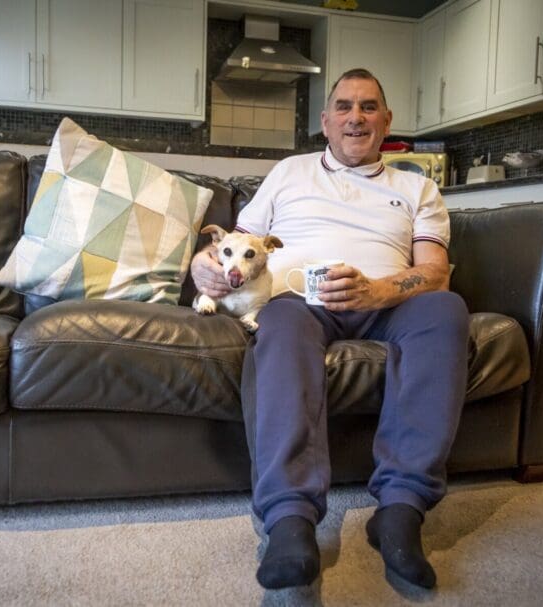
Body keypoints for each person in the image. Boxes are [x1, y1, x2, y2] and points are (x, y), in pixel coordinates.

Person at [190, 68, 469, 590]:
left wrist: (378, 291)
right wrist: (201, 267)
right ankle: (290, 520)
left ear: (387, 120)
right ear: (325, 121)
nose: (355, 117)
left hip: (387, 301)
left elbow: (434, 272)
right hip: (299, 300)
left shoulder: (418, 188)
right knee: (278, 322)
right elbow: (230, 246)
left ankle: (401, 509)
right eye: (344, 106)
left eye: (368, 107)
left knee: (446, 309)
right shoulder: (288, 173)